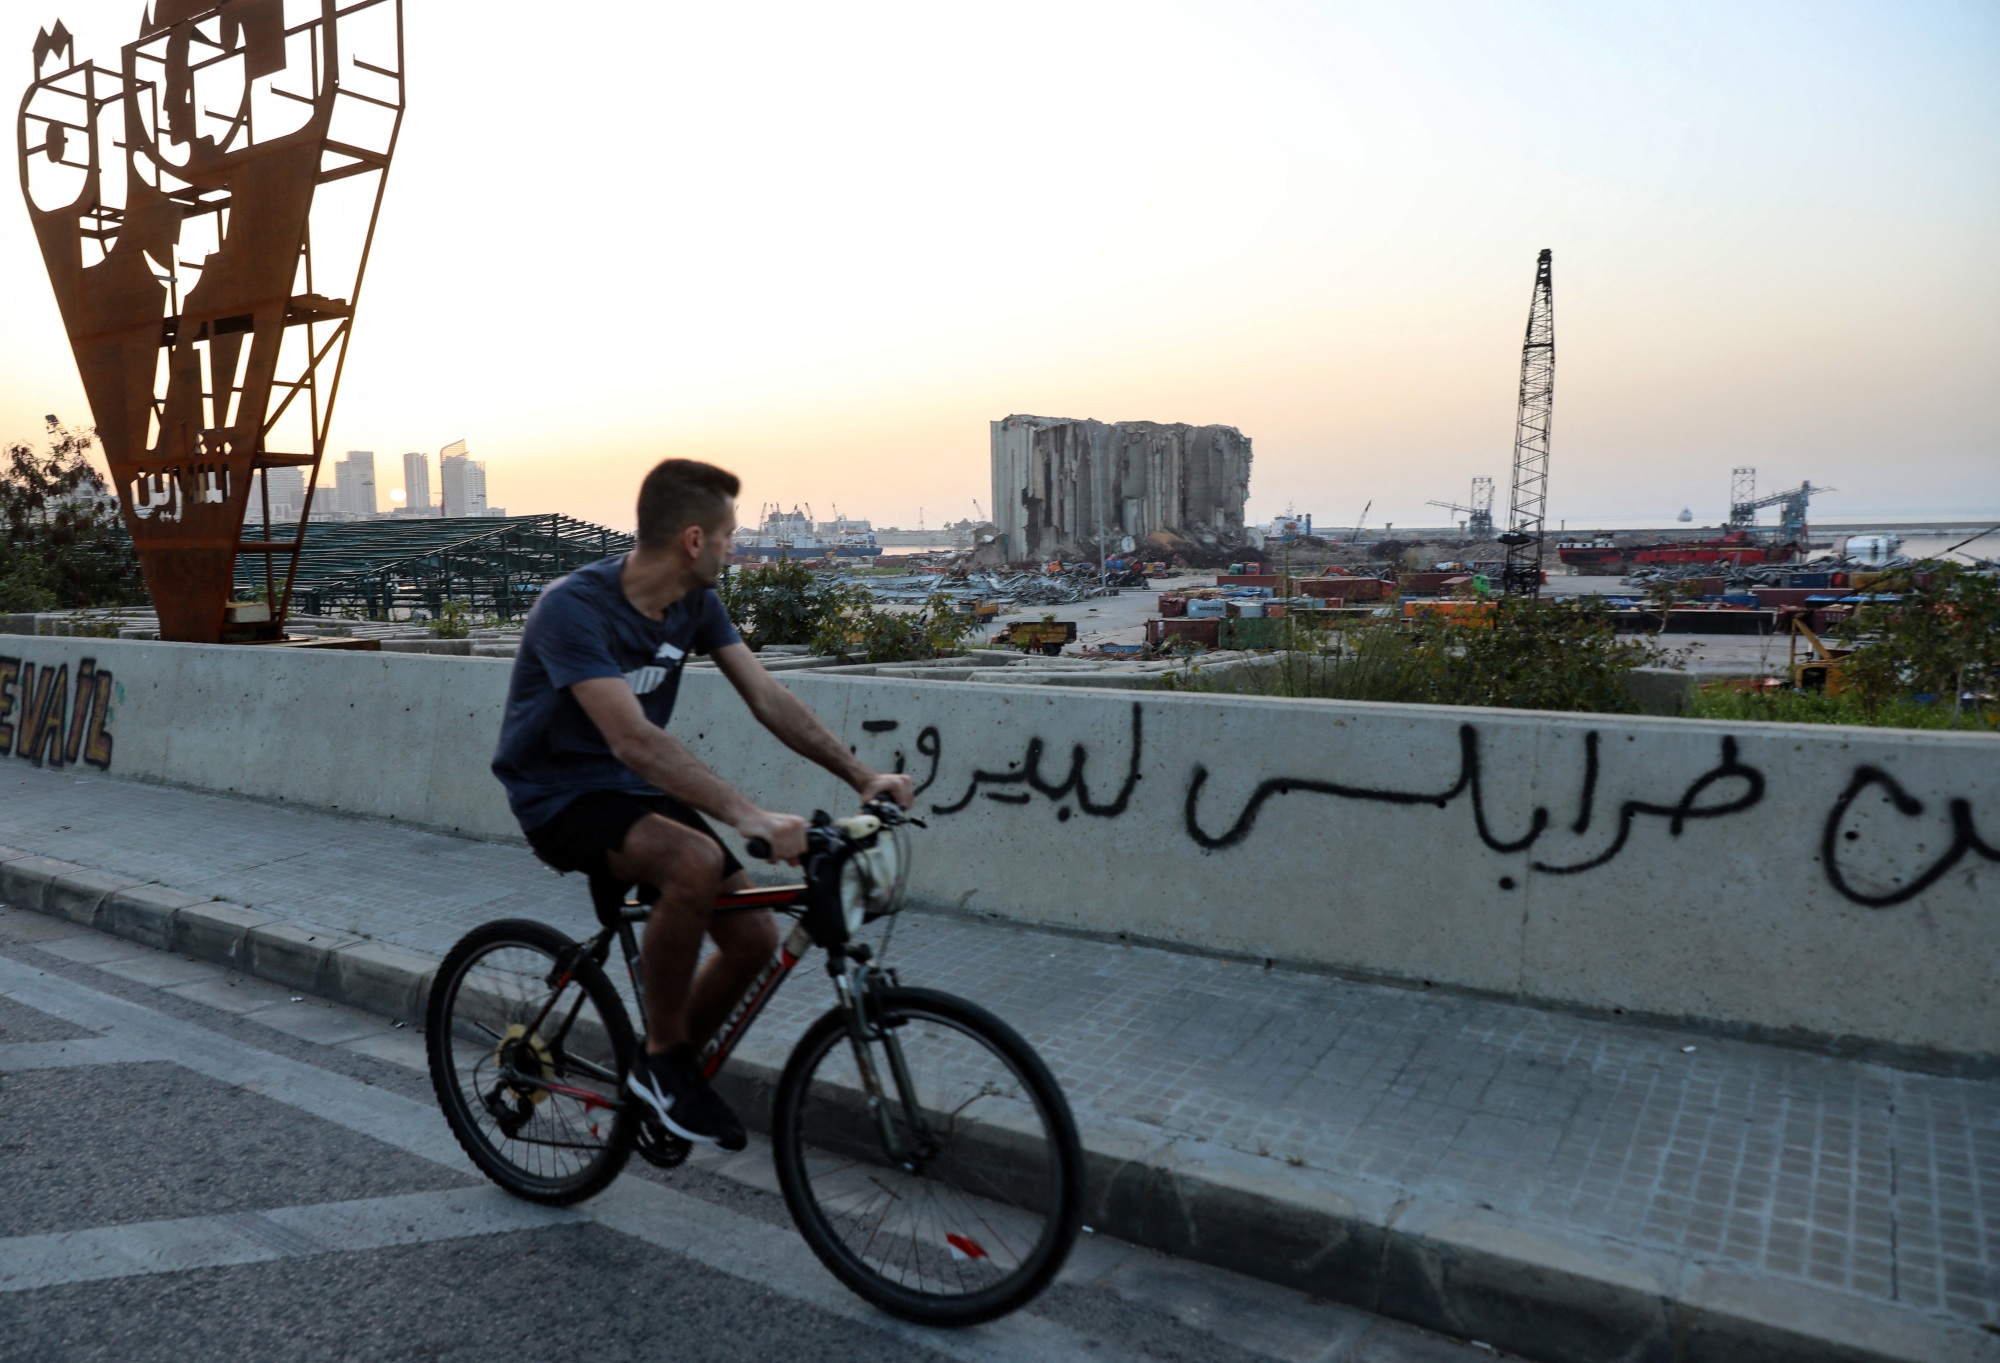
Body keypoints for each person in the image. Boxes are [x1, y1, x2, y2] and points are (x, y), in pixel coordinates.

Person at [492, 459, 912, 1152]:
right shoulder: (572, 607)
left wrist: (860, 775)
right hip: (558, 793)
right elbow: (631, 739)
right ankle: (662, 1066)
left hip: (634, 795)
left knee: (753, 937)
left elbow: (767, 697)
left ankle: (668, 1066)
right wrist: (748, 817)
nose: (734, 547)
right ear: (694, 539)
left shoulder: (696, 604)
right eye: (728, 535)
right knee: (690, 858)